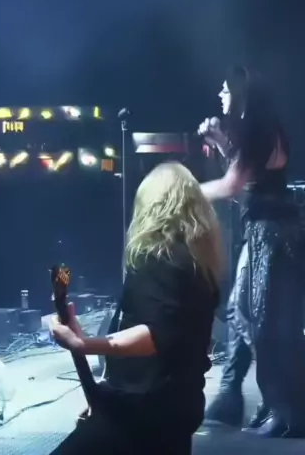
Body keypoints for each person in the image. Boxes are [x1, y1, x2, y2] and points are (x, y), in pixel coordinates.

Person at [49, 162, 222, 455]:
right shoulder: (198, 265)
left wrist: (83, 343)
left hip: (144, 410)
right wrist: (104, 396)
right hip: (178, 407)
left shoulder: (158, 258)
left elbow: (156, 335)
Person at [198, 65, 305, 438]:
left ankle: (287, 411)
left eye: (225, 89)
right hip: (265, 231)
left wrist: (183, 190)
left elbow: (233, 185)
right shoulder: (260, 127)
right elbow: (249, 178)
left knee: (267, 322)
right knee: (244, 312)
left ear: (241, 92)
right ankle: (252, 402)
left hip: (272, 235)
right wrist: (222, 142)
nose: (220, 95)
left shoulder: (257, 128)